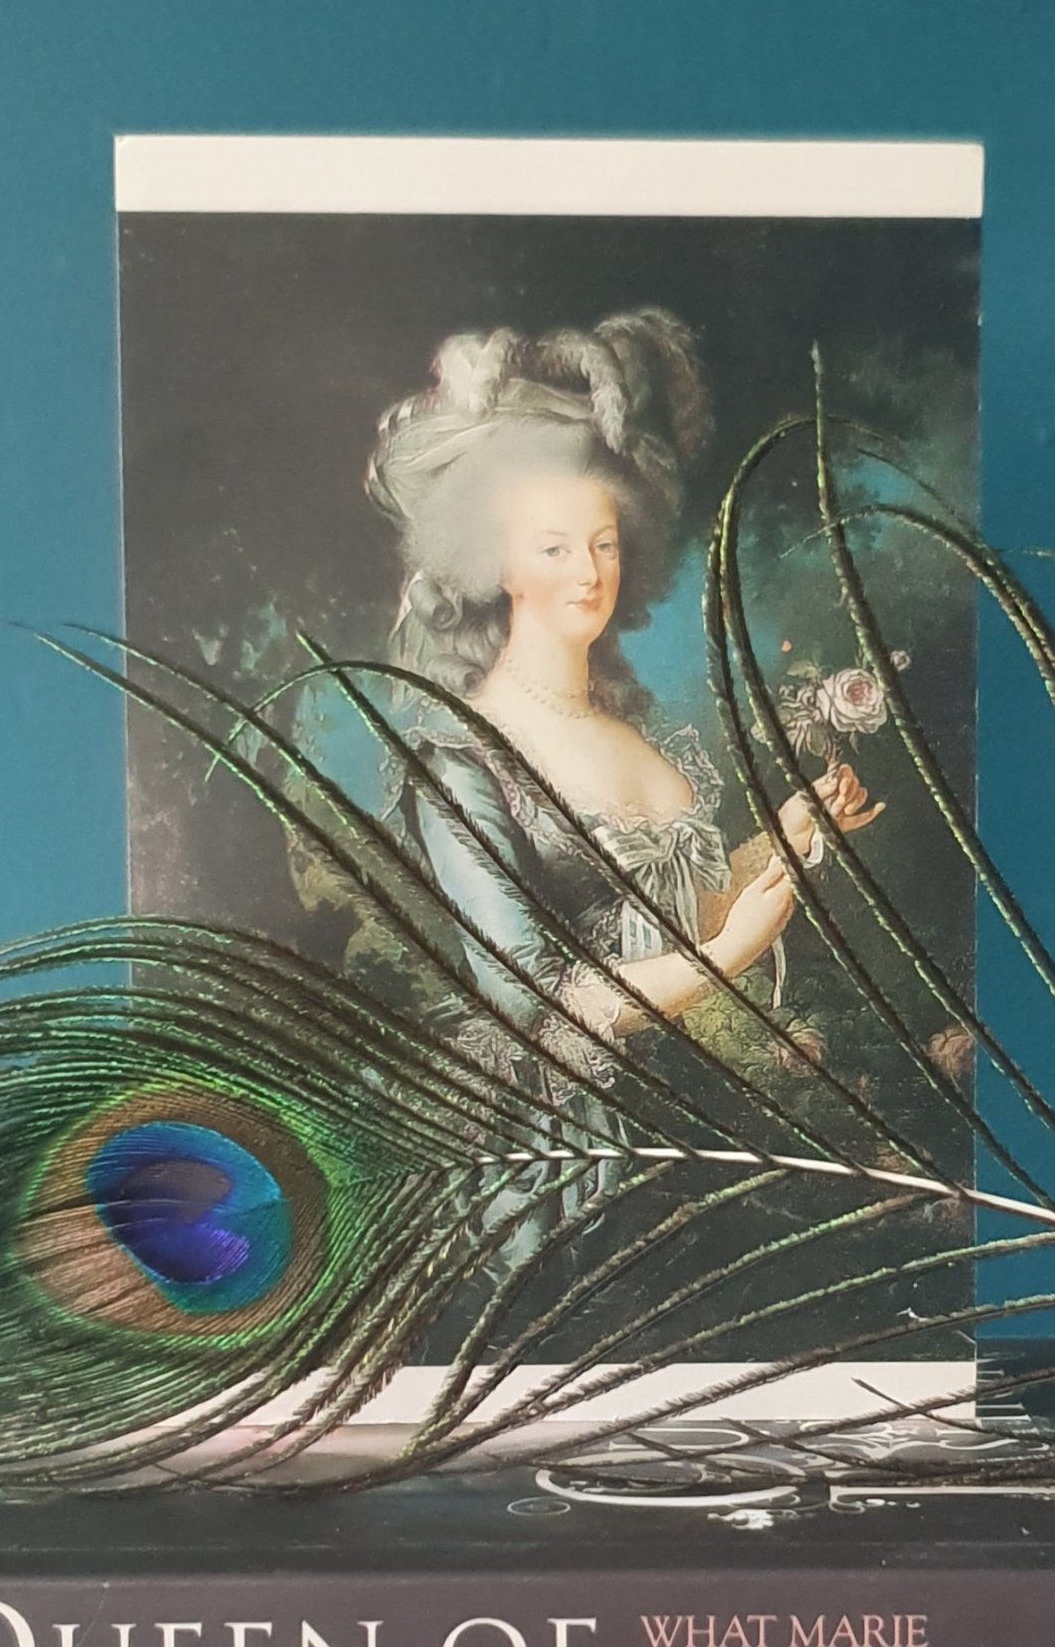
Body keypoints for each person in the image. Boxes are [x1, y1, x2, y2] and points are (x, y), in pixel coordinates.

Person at [364, 311, 880, 1095]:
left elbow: (673, 919)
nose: (588, 573)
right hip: (568, 1127)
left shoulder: (631, 724)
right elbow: (529, 1002)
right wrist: (729, 956)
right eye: (553, 548)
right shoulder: (459, 755)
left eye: (603, 544)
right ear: (497, 564)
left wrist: (784, 838)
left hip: (683, 1101)